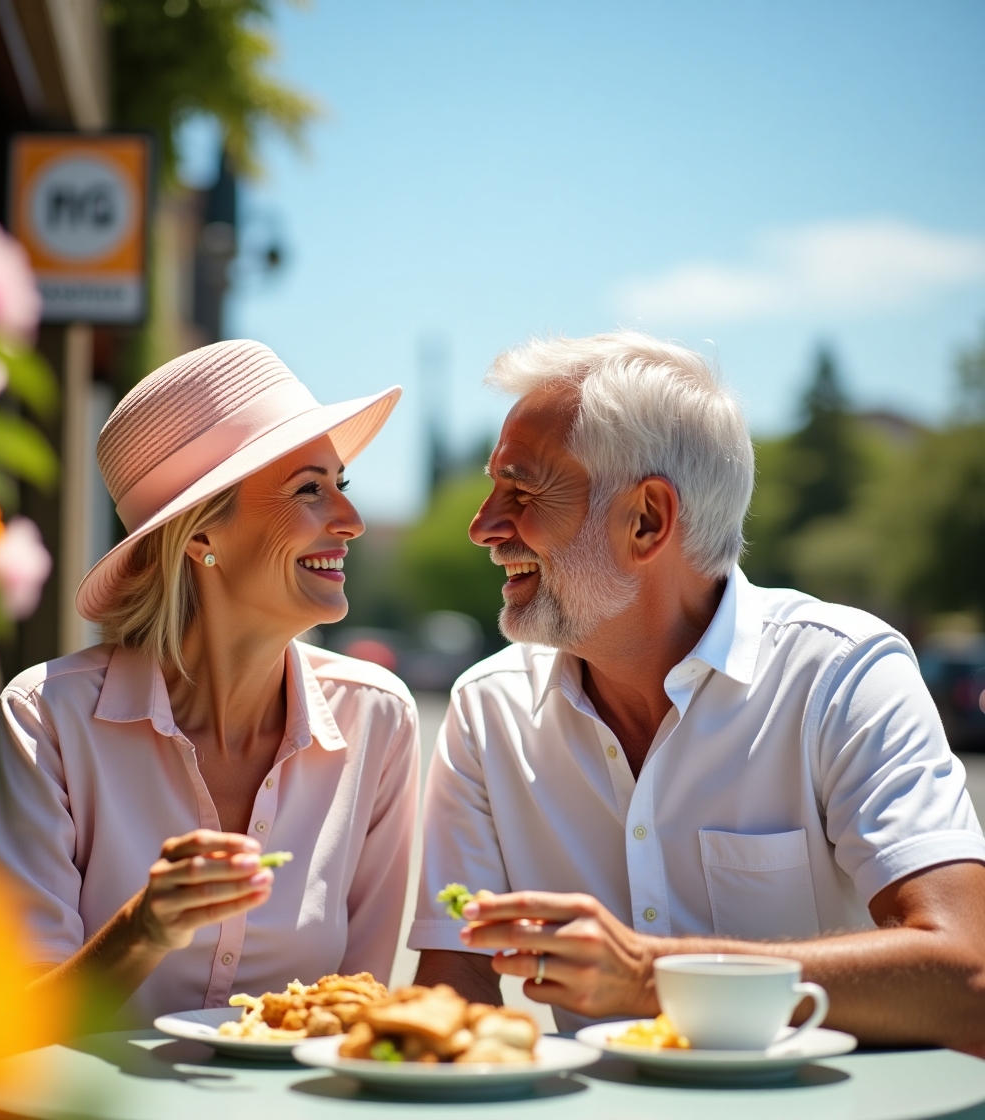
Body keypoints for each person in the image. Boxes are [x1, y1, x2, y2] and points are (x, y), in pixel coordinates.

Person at [409, 331, 985, 1053]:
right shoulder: (486, 708)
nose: (483, 527)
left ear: (647, 520)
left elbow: (968, 979)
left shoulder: (842, 675)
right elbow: (448, 989)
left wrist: (653, 978)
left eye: (522, 490)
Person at [0, 340, 419, 1026]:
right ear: (200, 534)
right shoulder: (45, 722)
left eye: (342, 484)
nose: (351, 520)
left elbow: (359, 1008)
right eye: (310, 489)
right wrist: (142, 930)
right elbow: (7, 1028)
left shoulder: (378, 720)